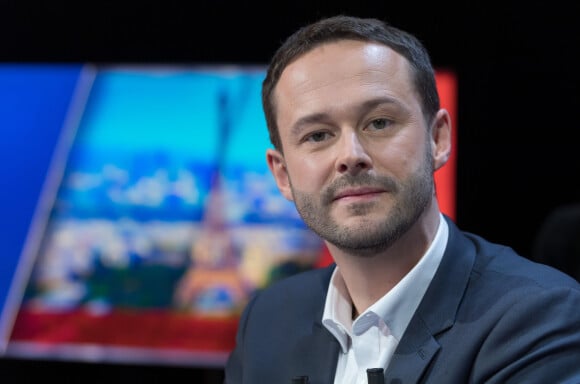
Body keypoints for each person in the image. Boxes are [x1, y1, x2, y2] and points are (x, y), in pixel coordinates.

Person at [223, 15, 580, 383]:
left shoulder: (542, 319)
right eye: (317, 135)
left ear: (438, 138)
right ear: (282, 174)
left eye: (379, 122)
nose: (350, 155)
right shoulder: (267, 320)